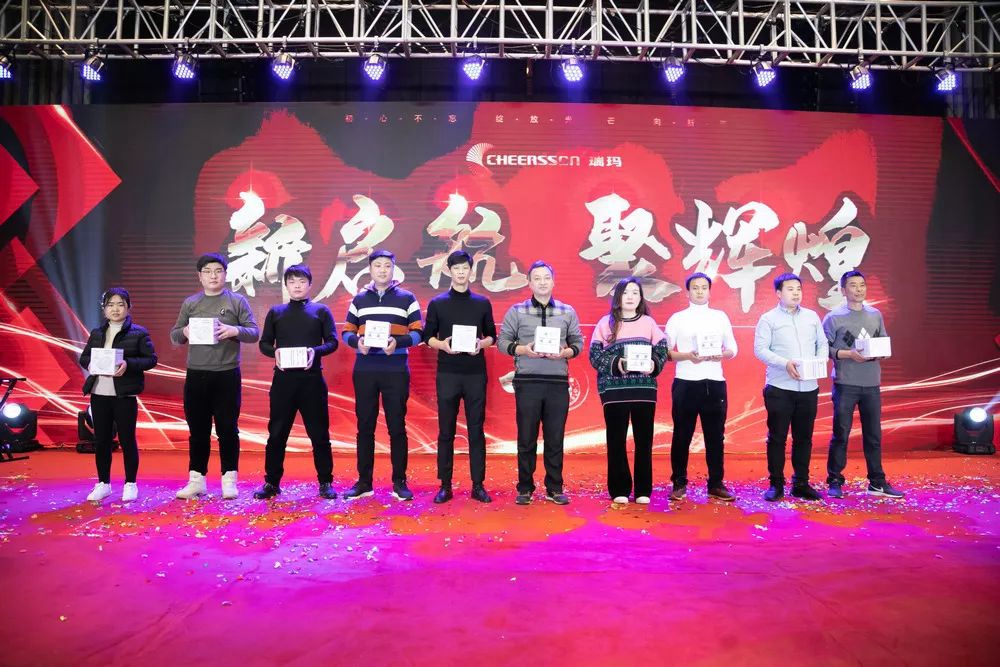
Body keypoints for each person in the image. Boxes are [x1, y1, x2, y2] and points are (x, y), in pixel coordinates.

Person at [171, 253, 259, 500]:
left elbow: (254, 332)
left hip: (226, 374)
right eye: (208, 271)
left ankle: (229, 480)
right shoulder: (191, 303)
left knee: (228, 429)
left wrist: (234, 330)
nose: (213, 275)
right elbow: (175, 336)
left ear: (225, 274)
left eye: (218, 271)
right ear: (199, 276)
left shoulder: (237, 301)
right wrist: (185, 331)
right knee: (198, 430)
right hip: (196, 374)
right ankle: (196, 480)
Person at [498, 260, 584, 506]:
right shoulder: (517, 311)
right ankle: (525, 487)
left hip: (557, 382)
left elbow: (578, 342)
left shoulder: (567, 311)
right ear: (529, 283)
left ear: (553, 281)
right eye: (537, 278)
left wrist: (566, 352)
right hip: (528, 382)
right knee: (526, 438)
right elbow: (503, 342)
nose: (542, 282)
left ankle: (554, 488)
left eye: (546, 278)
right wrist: (524, 349)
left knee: (555, 438)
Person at [340, 249, 423, 501]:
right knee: (364, 426)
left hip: (395, 369)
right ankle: (364, 482)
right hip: (365, 369)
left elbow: (419, 333)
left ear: (393, 268)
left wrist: (398, 343)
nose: (382, 270)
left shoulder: (407, 298)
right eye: (378, 265)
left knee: (397, 426)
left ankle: (399, 481)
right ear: (370, 269)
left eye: (387, 265)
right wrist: (357, 342)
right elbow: (346, 332)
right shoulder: (359, 299)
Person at [254, 264, 340, 501]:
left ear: (310, 284)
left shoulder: (321, 311)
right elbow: (264, 343)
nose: (297, 286)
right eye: (292, 282)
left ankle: (325, 482)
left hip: (312, 381)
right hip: (283, 381)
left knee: (319, 434)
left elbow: (333, 342)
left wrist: (315, 351)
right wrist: (276, 353)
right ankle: (271, 483)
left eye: (302, 281)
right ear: (286, 285)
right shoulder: (276, 312)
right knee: (277, 433)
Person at [424, 250, 497, 504]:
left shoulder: (482, 303)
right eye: (456, 268)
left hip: (475, 373)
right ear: (449, 271)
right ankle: (445, 485)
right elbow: (427, 337)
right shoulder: (438, 303)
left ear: (471, 271)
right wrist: (442, 345)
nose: (461, 272)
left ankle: (478, 485)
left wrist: (481, 344)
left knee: (476, 429)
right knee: (446, 430)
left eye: (465, 268)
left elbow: (492, 336)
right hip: (448, 373)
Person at [823, 270, 904, 499]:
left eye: (862, 285)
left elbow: (882, 340)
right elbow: (823, 349)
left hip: (871, 383)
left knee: (873, 435)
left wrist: (883, 352)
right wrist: (848, 354)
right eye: (853, 285)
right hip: (845, 383)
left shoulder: (875, 315)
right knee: (841, 433)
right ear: (843, 290)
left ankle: (877, 482)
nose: (858, 289)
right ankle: (835, 480)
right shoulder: (833, 318)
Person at [588, 277, 669, 505]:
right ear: (618, 297)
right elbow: (594, 356)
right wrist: (618, 364)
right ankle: (619, 488)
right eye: (626, 293)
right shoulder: (606, 323)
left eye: (635, 292)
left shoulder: (649, 323)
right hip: (614, 391)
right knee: (616, 440)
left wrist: (653, 363)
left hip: (643, 390)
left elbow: (662, 349)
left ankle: (643, 489)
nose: (631, 297)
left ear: (641, 298)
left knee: (644, 441)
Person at [753, 272, 829, 502]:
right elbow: (760, 350)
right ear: (778, 293)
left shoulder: (812, 317)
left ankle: (801, 483)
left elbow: (822, 343)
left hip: (808, 387)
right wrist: (785, 363)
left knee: (804, 438)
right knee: (777, 438)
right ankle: (776, 484)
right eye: (790, 289)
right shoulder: (768, 319)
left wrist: (819, 361)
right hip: (780, 387)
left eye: (798, 289)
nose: (796, 293)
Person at [664, 272, 738, 502]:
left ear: (709, 291)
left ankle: (716, 483)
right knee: (682, 435)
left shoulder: (720, 317)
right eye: (695, 287)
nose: (699, 291)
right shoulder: (678, 318)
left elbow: (733, 349)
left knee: (715, 437)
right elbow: (665, 353)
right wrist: (688, 356)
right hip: (686, 382)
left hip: (714, 383)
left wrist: (721, 354)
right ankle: (679, 483)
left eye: (704, 287)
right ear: (687, 292)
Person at [79, 288, 158, 503]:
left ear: (128, 307)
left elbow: (151, 359)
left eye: (120, 304)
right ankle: (103, 484)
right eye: (110, 305)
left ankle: (130, 484)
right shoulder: (97, 333)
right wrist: (90, 364)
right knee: (101, 440)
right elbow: (84, 357)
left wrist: (128, 364)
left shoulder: (138, 333)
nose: (115, 309)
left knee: (127, 439)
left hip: (124, 395)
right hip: (99, 393)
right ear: (104, 309)